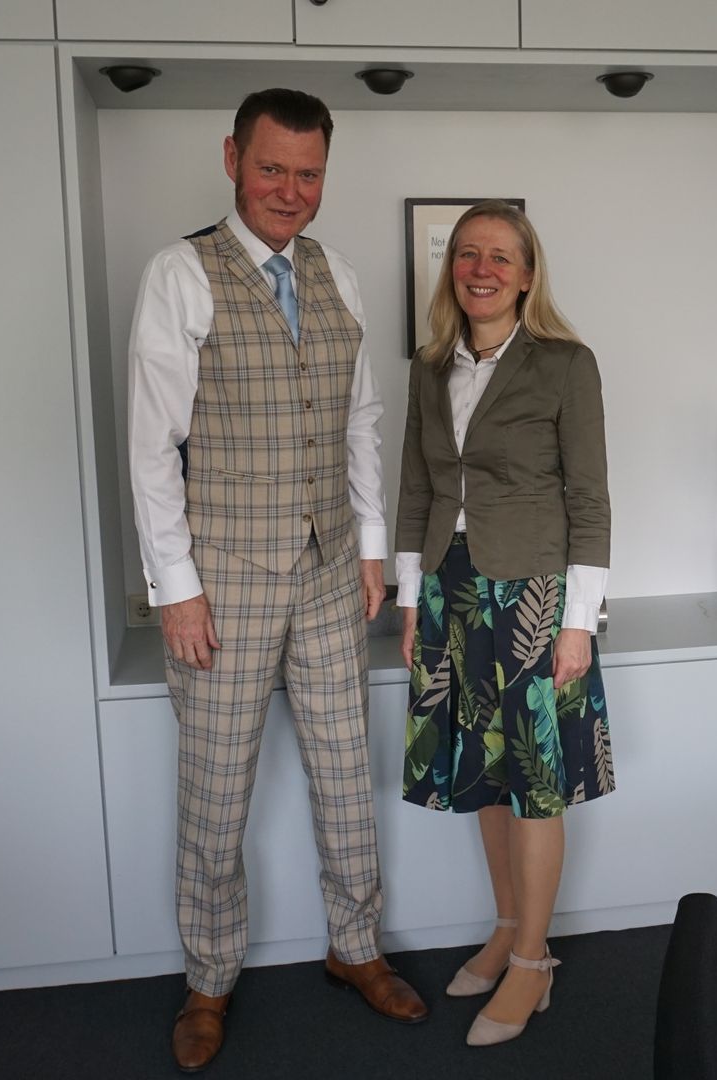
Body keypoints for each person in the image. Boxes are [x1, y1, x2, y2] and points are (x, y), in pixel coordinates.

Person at [128, 88, 429, 1074]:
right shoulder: (181, 272)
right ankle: (209, 977)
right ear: (232, 159)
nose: (290, 191)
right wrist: (176, 587)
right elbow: (152, 446)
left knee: (346, 775)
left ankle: (356, 946)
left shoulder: (337, 273)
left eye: (308, 174)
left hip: (332, 570)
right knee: (216, 794)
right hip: (223, 579)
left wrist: (372, 546)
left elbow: (359, 422)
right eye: (271, 169)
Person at [394, 200, 614, 1047]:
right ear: (452, 269)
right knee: (483, 772)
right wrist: (411, 601)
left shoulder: (565, 364)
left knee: (534, 780)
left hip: (533, 598)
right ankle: (508, 926)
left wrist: (577, 622)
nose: (480, 269)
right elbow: (417, 488)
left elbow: (588, 498)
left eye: (498, 256)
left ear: (525, 275)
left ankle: (532, 962)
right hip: (450, 589)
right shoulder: (429, 368)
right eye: (466, 254)